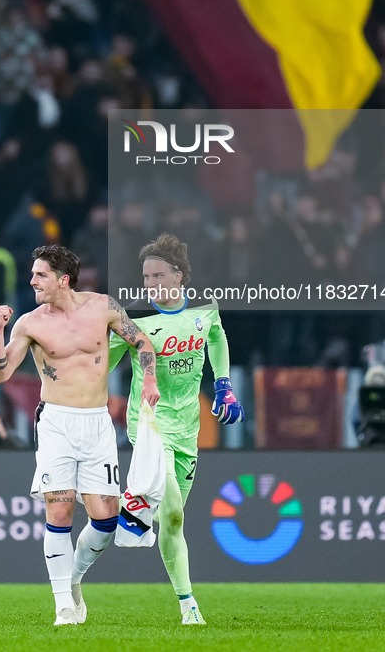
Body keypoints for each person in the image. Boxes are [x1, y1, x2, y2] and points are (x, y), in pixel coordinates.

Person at [0, 244, 159, 626]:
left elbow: (141, 341)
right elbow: (0, 374)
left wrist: (148, 377)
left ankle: (75, 577)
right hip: (56, 422)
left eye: (40, 275)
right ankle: (63, 603)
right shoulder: (30, 323)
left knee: (106, 517)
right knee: (60, 510)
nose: (32, 281)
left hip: (98, 423)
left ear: (63, 280)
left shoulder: (103, 307)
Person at [109, 232, 244, 626]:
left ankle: (121, 509)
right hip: (149, 423)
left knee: (172, 519)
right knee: (170, 511)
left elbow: (217, 338)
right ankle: (190, 606)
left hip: (188, 427)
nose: (150, 284)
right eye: (145, 277)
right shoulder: (135, 316)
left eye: (157, 276)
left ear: (179, 275)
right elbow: (102, 361)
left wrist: (223, 384)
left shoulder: (204, 306)